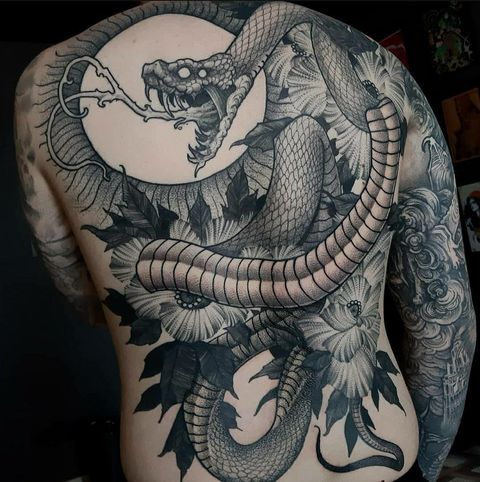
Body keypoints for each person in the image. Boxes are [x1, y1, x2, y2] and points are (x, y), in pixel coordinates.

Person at [14, 2, 476, 481]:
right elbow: (445, 317)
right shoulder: (380, 68)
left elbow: (87, 300)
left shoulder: (43, 87)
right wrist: (427, 473)